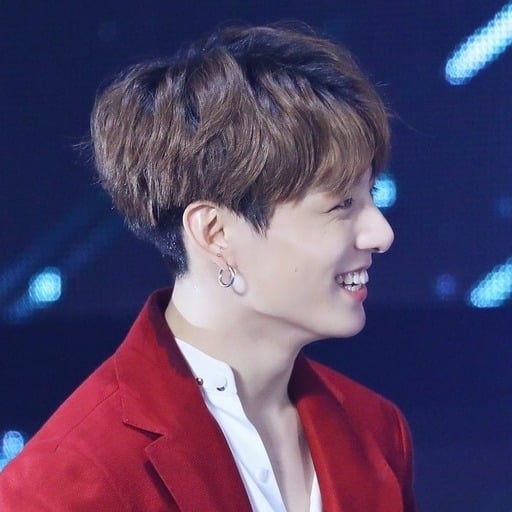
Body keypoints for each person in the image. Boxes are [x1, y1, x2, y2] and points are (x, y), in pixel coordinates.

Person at [0, 24, 416, 511]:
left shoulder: (377, 429)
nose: (381, 233)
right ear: (215, 233)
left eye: (370, 194)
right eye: (342, 204)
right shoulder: (69, 481)